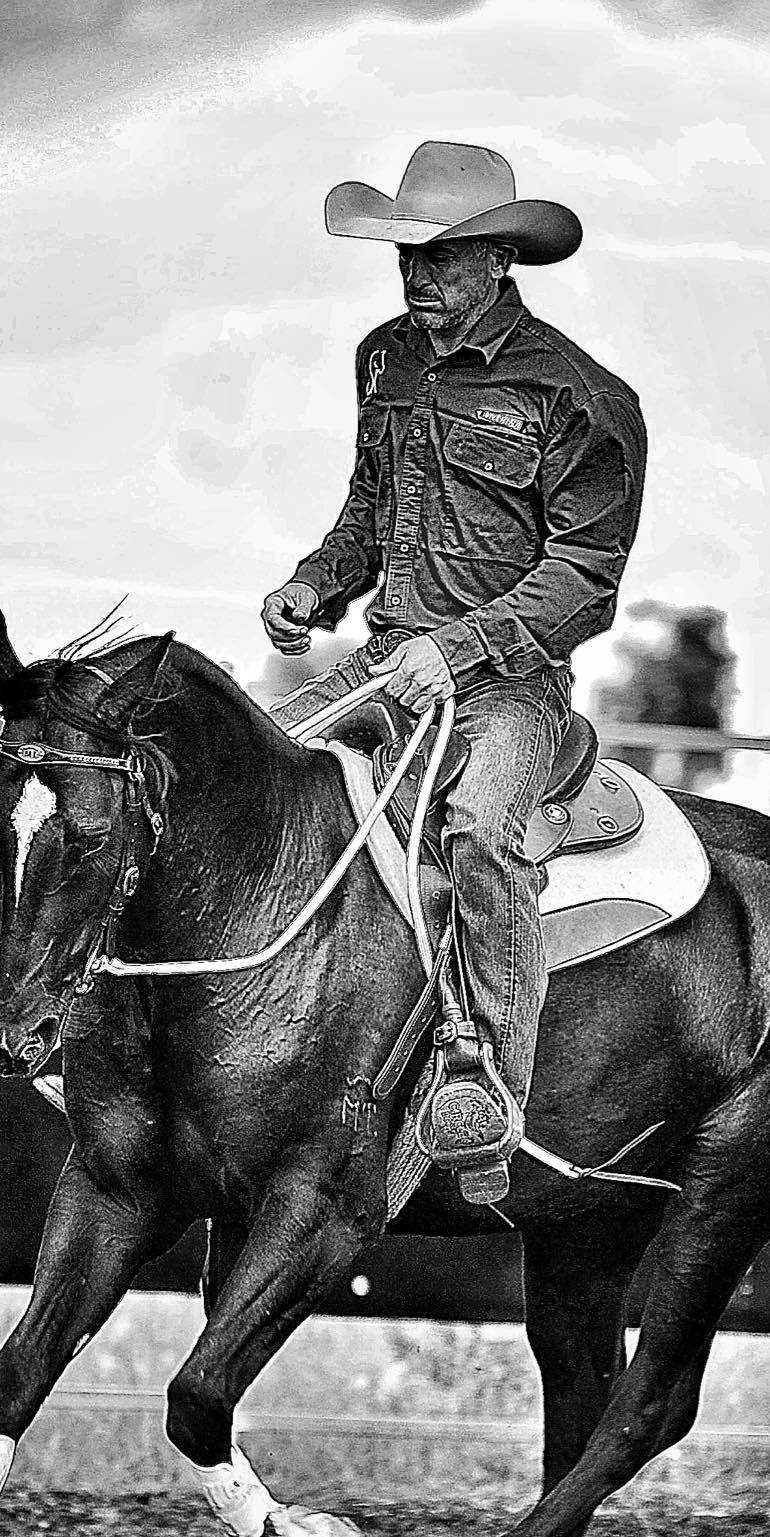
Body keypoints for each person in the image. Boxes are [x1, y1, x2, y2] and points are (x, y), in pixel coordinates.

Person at [263, 141, 647, 1200]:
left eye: (438, 257)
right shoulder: (383, 360)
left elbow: (585, 577)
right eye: (406, 256)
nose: (414, 276)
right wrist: (311, 586)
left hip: (507, 691)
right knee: (251, 771)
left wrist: (457, 648)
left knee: (481, 831)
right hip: (385, 664)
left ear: (498, 259)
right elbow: (366, 513)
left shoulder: (579, 396)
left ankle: (483, 1094)